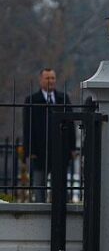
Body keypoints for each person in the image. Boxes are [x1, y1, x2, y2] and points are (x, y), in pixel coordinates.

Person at [23, 68, 75, 203]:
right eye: (47, 78)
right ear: (40, 80)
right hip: (39, 153)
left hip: (60, 151)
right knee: (39, 188)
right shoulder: (32, 100)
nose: (50, 81)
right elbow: (27, 127)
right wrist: (30, 151)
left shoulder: (63, 98)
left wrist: (72, 148)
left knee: (60, 188)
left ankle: (59, 215)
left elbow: (71, 125)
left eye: (52, 78)